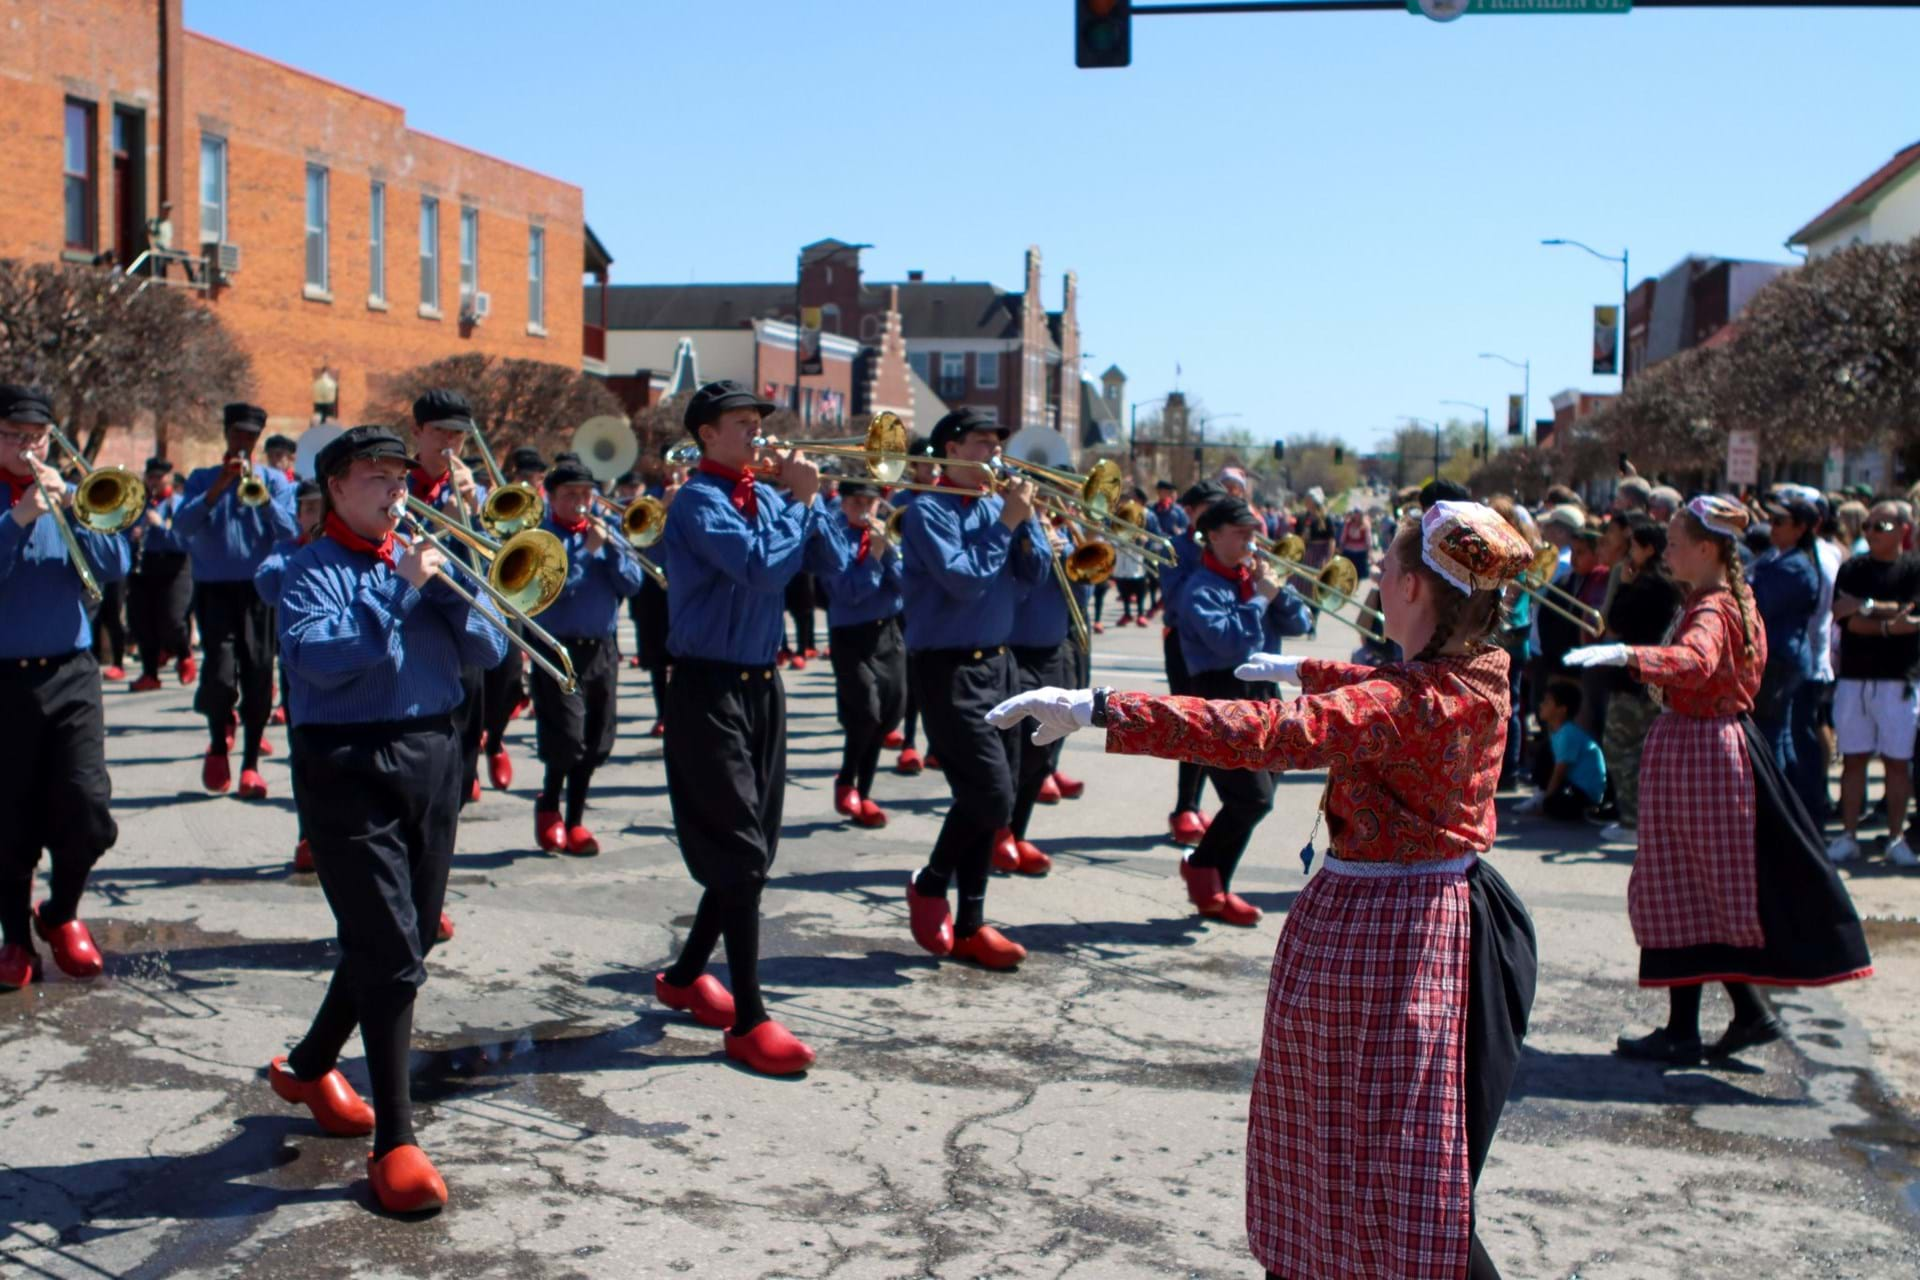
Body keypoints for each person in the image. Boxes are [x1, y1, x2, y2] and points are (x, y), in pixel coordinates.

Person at [990, 498, 1540, 1280]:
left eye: (1387, 566)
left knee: (1380, 1153)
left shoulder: (1407, 701)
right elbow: (1392, 683)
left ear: (1415, 589)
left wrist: (1104, 707)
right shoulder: (1478, 669)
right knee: (1383, 1149)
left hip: (1388, 932)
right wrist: (1307, 668)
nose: (1377, 577)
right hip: (1429, 914)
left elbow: (1274, 735)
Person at [265, 425, 507, 1213]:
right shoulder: (307, 571)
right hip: (347, 767)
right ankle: (395, 1139)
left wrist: (444, 589)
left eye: (400, 477)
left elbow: (494, 649)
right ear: (334, 488)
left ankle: (308, 1066)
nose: (394, 490)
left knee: (402, 931)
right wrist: (404, 591)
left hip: (435, 757)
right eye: (375, 477)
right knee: (394, 950)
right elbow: (321, 657)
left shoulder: (428, 559)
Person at [1565, 496, 1873, 1067]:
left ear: (1706, 549)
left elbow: (1696, 661)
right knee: (1695, 889)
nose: (1669, 551)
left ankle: (1701, 1026)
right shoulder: (1728, 596)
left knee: (1683, 886)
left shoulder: (1712, 608)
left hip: (1700, 748)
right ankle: (1726, 1018)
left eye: (1677, 543)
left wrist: (1630, 654)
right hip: (1711, 744)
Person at [653, 380, 823, 1076]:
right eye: (743, 423)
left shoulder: (771, 497)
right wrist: (802, 502)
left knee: (753, 851)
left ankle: (688, 975)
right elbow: (759, 566)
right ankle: (749, 1019)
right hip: (706, 687)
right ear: (706, 435)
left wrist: (816, 504)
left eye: (759, 421)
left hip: (761, 686)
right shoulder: (697, 500)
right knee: (742, 856)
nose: (757, 433)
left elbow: (828, 566)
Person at [899, 406, 1043, 970]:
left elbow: (1032, 579)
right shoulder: (925, 510)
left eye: (996, 443)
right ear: (951, 450)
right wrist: (1007, 524)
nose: (993, 454)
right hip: (949, 669)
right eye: (982, 443)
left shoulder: (996, 506)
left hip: (1000, 664)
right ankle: (930, 882)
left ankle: (971, 926)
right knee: (989, 796)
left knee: (992, 799)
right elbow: (961, 580)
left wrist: (1029, 525)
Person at [0, 385, 131, 992]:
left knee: (87, 807)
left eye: (38, 438)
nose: (29, 448)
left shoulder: (67, 492)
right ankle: (15, 939)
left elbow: (116, 565)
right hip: (5, 678)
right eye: (15, 437)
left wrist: (78, 509)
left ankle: (61, 912)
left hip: (72, 671)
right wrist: (18, 518)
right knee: (10, 818)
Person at [1158, 497, 1311, 924]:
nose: (1252, 541)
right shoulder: (1200, 587)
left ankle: (1211, 879)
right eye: (1242, 533)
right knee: (1251, 797)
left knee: (1259, 796)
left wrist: (1278, 592)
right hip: (1221, 695)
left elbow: (1300, 624)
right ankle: (1207, 871)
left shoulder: (1253, 578)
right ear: (1215, 535)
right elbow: (1231, 644)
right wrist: (1260, 599)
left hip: (1263, 693)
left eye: (1254, 532)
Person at [172, 402, 298, 798]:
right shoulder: (201, 478)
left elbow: (290, 529)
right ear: (226, 434)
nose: (243, 442)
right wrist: (217, 489)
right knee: (220, 676)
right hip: (214, 590)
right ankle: (217, 742)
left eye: (250, 436)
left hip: (259, 591)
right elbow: (183, 525)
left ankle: (250, 766)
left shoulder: (274, 481)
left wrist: (262, 500)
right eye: (237, 434)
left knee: (260, 675)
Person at [529, 458, 647, 855]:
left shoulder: (607, 531)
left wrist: (611, 550)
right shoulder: (540, 539)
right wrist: (584, 555)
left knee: (597, 740)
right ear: (551, 498)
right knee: (567, 737)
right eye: (570, 495)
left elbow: (632, 584)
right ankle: (549, 804)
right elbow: (548, 593)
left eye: (585, 494)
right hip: (557, 649)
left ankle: (576, 821)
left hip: (602, 649)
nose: (580, 502)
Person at [1825, 501, 1920, 866]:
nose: (1872, 531)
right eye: (1868, 524)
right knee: (1854, 759)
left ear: (1902, 529)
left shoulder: (1913, 568)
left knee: (1897, 762)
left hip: (1899, 680)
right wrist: (1885, 617)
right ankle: (1848, 835)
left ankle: (1896, 838)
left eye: (1881, 524)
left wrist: (1865, 609)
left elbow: (1912, 617)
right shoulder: (1853, 567)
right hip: (1854, 678)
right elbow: (1843, 617)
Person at [406, 391, 489, 805]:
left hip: (465, 625)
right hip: (413, 623)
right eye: (439, 432)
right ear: (417, 432)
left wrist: (473, 513)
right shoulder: (396, 489)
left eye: (457, 436)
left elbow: (497, 566)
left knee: (465, 734)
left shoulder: (480, 496)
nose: (448, 444)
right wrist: (451, 523)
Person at [809, 478, 906, 829]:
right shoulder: (834, 541)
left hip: (888, 633)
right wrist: (876, 556)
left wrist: (888, 552)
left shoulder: (888, 537)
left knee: (889, 714)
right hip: (850, 635)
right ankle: (847, 782)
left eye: (871, 503)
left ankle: (863, 793)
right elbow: (849, 593)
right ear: (843, 503)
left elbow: (906, 586)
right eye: (856, 503)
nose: (865, 510)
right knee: (865, 711)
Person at [254, 479, 327, 873]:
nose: (316, 516)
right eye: (309, 509)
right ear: (298, 515)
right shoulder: (286, 553)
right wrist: (300, 555)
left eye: (322, 508)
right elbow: (266, 585)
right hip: (300, 670)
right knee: (305, 755)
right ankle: (308, 834)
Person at [1596, 520, 1684, 842]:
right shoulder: (1671, 584)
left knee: (1621, 748)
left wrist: (1622, 584)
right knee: (1644, 751)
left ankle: (1635, 820)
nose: (1630, 552)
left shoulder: (1647, 586)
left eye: (1634, 546)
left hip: (1636, 677)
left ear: (1648, 549)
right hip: (1654, 677)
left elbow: (1615, 622)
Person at [1160, 481, 1225, 846]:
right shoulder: (1175, 548)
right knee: (1191, 725)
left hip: (1217, 646)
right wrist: (1209, 563)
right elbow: (1174, 601)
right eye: (1208, 510)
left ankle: (1193, 802)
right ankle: (1183, 807)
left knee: (1210, 725)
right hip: (1183, 644)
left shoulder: (1223, 545)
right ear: (1190, 512)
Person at [1746, 497, 1823, 784]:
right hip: (1778, 658)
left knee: (1770, 736)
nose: (1771, 527)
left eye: (1779, 522)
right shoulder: (1775, 557)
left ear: (1800, 528)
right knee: (1780, 735)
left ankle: (1777, 807)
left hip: (1781, 659)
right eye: (1771, 520)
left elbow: (1758, 603)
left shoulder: (1796, 567)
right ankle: (1792, 805)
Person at [891, 437, 938, 774]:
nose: (933, 470)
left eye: (937, 465)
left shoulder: (947, 496)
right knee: (912, 676)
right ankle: (909, 743)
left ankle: (937, 746)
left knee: (942, 679)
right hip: (911, 597)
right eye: (927, 464)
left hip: (943, 596)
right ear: (913, 466)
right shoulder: (901, 500)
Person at [127, 456, 194, 692]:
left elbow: (186, 540)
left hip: (174, 566)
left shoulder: (179, 504)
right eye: (151, 476)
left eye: (159, 476)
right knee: (141, 621)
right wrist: (131, 537)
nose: (155, 481)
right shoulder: (138, 505)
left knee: (173, 617)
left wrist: (161, 527)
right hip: (144, 566)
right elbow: (122, 535)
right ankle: (150, 673)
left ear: (169, 478)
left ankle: (184, 654)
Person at [1516, 680, 1606, 820]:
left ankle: (1544, 799)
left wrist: (1546, 801)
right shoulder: (1559, 732)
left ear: (1561, 709)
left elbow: (1559, 772)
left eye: (1547, 702)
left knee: (1553, 805)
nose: (1541, 705)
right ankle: (1541, 794)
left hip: (1584, 794)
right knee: (1544, 751)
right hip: (1572, 785)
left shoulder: (1568, 734)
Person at [1338, 506, 1372, 583]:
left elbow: (1368, 539)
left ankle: (1355, 587)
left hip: (1360, 553)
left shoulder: (1365, 525)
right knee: (1347, 573)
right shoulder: (1348, 524)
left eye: (1359, 514)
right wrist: (1341, 546)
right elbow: (1343, 536)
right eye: (1356, 514)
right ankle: (1347, 588)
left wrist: (1369, 552)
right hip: (1349, 551)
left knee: (1358, 574)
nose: (1357, 516)